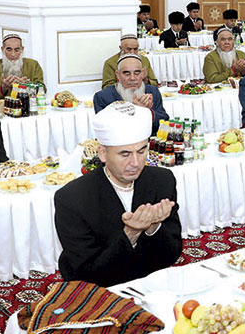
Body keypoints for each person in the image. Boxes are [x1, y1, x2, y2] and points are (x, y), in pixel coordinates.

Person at [54, 102, 182, 287]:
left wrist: (154, 227)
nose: (136, 162)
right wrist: (131, 233)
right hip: (98, 290)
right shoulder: (72, 198)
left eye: (141, 151)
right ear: (103, 153)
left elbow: (172, 254)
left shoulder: (162, 180)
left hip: (150, 282)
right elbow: (87, 273)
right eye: (125, 154)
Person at [94, 55, 168, 134]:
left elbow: (164, 121)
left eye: (137, 73)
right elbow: (104, 128)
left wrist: (148, 112)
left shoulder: (152, 91)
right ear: (117, 74)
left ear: (142, 73)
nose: (132, 78)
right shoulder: (103, 96)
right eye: (127, 74)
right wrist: (138, 111)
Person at [0, 34, 45, 100]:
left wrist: (27, 86)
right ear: (2, 49)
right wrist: (3, 87)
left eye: (17, 50)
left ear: (22, 50)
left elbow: (42, 89)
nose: (13, 54)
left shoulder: (33, 65)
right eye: (9, 50)